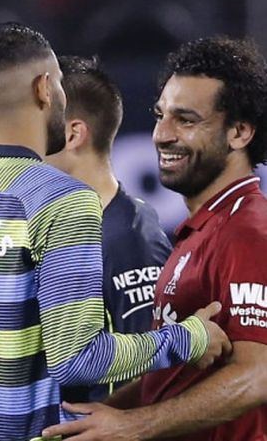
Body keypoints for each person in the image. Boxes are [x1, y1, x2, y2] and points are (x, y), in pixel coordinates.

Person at [0, 22, 228, 441]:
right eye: (59, 83)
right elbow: (77, 359)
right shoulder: (63, 200)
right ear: (43, 89)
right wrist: (188, 338)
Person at [41, 37, 267, 441]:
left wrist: (132, 425)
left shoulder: (248, 232)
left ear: (240, 132)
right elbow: (168, 381)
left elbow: (258, 375)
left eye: (186, 119)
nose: (162, 135)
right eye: (160, 115)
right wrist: (86, 420)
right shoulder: (199, 233)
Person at [46, 55, 172, 401]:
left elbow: (150, 381)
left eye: (33, 127)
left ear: (72, 134)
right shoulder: (55, 230)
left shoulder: (128, 239)